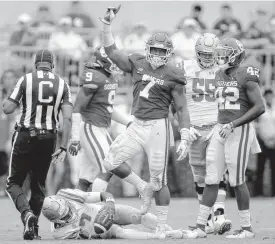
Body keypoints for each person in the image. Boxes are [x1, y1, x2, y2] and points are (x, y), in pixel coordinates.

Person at [98, 5, 190, 237]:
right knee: (110, 162)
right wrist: (107, 25)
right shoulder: (137, 62)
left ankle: (161, 224)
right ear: (148, 49)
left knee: (159, 179)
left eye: (162, 51)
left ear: (168, 53)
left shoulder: (174, 74)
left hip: (159, 127)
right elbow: (111, 52)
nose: (158, 55)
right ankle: (141, 186)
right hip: (137, 124)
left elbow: (180, 107)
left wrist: (186, 133)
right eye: (155, 50)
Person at [182, 38, 265, 239]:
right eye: (219, 53)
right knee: (211, 177)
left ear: (236, 55)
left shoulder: (246, 73)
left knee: (237, 180)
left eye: (224, 53)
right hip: (221, 129)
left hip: (239, 129)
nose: (220, 57)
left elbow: (259, 107)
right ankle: (201, 227)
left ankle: (246, 229)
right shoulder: (218, 74)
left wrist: (233, 124)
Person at [3, 49, 73, 240]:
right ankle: (34, 230)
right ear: (53, 64)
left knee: (13, 183)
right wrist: (64, 146)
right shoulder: (62, 84)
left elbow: (8, 108)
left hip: (26, 134)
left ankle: (27, 214)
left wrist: (10, 94)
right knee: (38, 184)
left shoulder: (26, 79)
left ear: (35, 64)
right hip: (49, 137)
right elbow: (67, 119)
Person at [174, 33, 232, 235]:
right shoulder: (184, 68)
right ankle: (206, 220)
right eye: (203, 54)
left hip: (216, 125)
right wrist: (183, 126)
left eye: (211, 54)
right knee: (199, 175)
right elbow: (175, 100)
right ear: (196, 53)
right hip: (194, 128)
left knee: (216, 171)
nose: (207, 58)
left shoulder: (224, 70)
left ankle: (220, 214)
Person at [68, 46, 132, 192]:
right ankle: (97, 206)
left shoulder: (109, 77)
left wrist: (128, 121)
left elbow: (108, 108)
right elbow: (77, 108)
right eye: (115, 59)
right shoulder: (93, 76)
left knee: (86, 179)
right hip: (91, 127)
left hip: (101, 129)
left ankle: (75, 209)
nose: (118, 63)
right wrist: (75, 138)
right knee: (109, 167)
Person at [42, 188, 172, 240]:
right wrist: (90, 234)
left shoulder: (67, 194)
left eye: (68, 209)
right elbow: (85, 238)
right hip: (95, 228)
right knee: (120, 232)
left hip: (101, 211)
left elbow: (104, 195)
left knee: (138, 215)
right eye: (65, 216)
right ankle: (156, 237)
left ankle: (170, 231)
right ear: (56, 220)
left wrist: (109, 204)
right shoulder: (58, 233)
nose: (69, 214)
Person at [254, 89, 275, 196]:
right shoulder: (260, 108)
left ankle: (273, 193)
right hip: (262, 141)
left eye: (271, 96)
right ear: (264, 97)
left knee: (273, 168)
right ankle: (258, 192)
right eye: (267, 96)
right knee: (260, 167)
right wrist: (265, 139)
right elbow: (257, 126)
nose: (269, 98)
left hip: (273, 141)